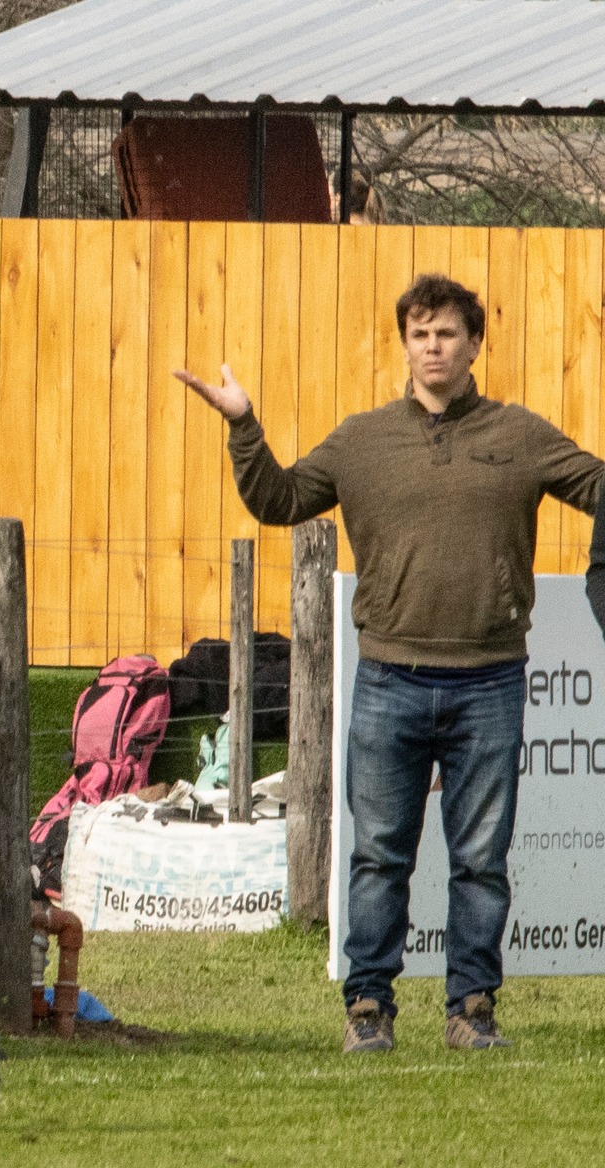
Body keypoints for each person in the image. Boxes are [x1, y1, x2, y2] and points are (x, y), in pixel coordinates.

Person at [176, 273, 605, 1054]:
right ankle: (367, 1010)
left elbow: (600, 485)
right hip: (387, 681)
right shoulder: (360, 440)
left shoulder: (524, 434)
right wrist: (244, 426)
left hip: (492, 681)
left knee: (481, 861)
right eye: (419, 333)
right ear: (404, 344)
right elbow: (277, 499)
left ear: (475, 344)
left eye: (447, 333)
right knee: (378, 856)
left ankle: (471, 1011)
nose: (432, 346)